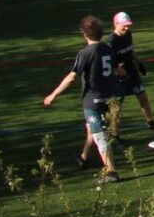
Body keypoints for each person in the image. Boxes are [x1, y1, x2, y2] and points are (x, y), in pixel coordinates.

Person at [41, 14, 121, 183]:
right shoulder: (108, 48)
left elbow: (71, 77)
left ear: (84, 33)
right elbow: (118, 70)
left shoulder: (85, 53)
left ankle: (111, 172)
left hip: (93, 100)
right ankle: (83, 158)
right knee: (92, 128)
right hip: (109, 97)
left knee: (99, 135)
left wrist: (53, 94)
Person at [106, 10, 154, 137]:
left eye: (128, 24)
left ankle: (150, 122)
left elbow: (130, 50)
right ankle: (115, 135)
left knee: (143, 97)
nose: (127, 27)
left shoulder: (128, 34)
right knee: (116, 107)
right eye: (124, 25)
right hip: (118, 77)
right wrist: (119, 72)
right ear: (115, 24)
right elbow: (110, 61)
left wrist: (139, 63)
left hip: (132, 72)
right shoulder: (111, 41)